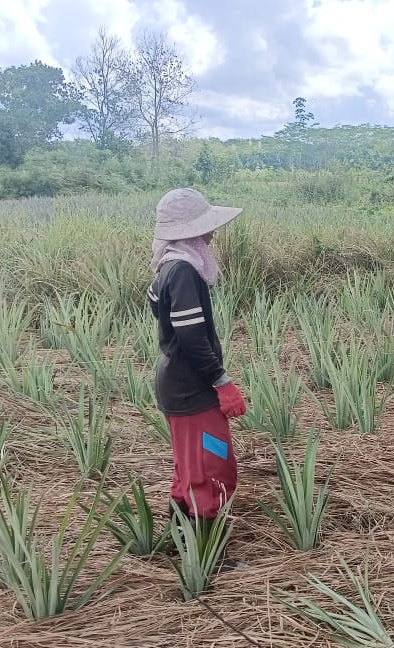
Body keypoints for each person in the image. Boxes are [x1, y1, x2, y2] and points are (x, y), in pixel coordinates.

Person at [147, 188, 248, 535]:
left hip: (179, 384)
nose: (212, 232)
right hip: (191, 389)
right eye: (206, 226)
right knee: (210, 466)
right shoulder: (184, 270)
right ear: (189, 231)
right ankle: (206, 555)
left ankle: (179, 543)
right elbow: (191, 336)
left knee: (189, 466)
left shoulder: (169, 265)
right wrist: (222, 381)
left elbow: (159, 307)